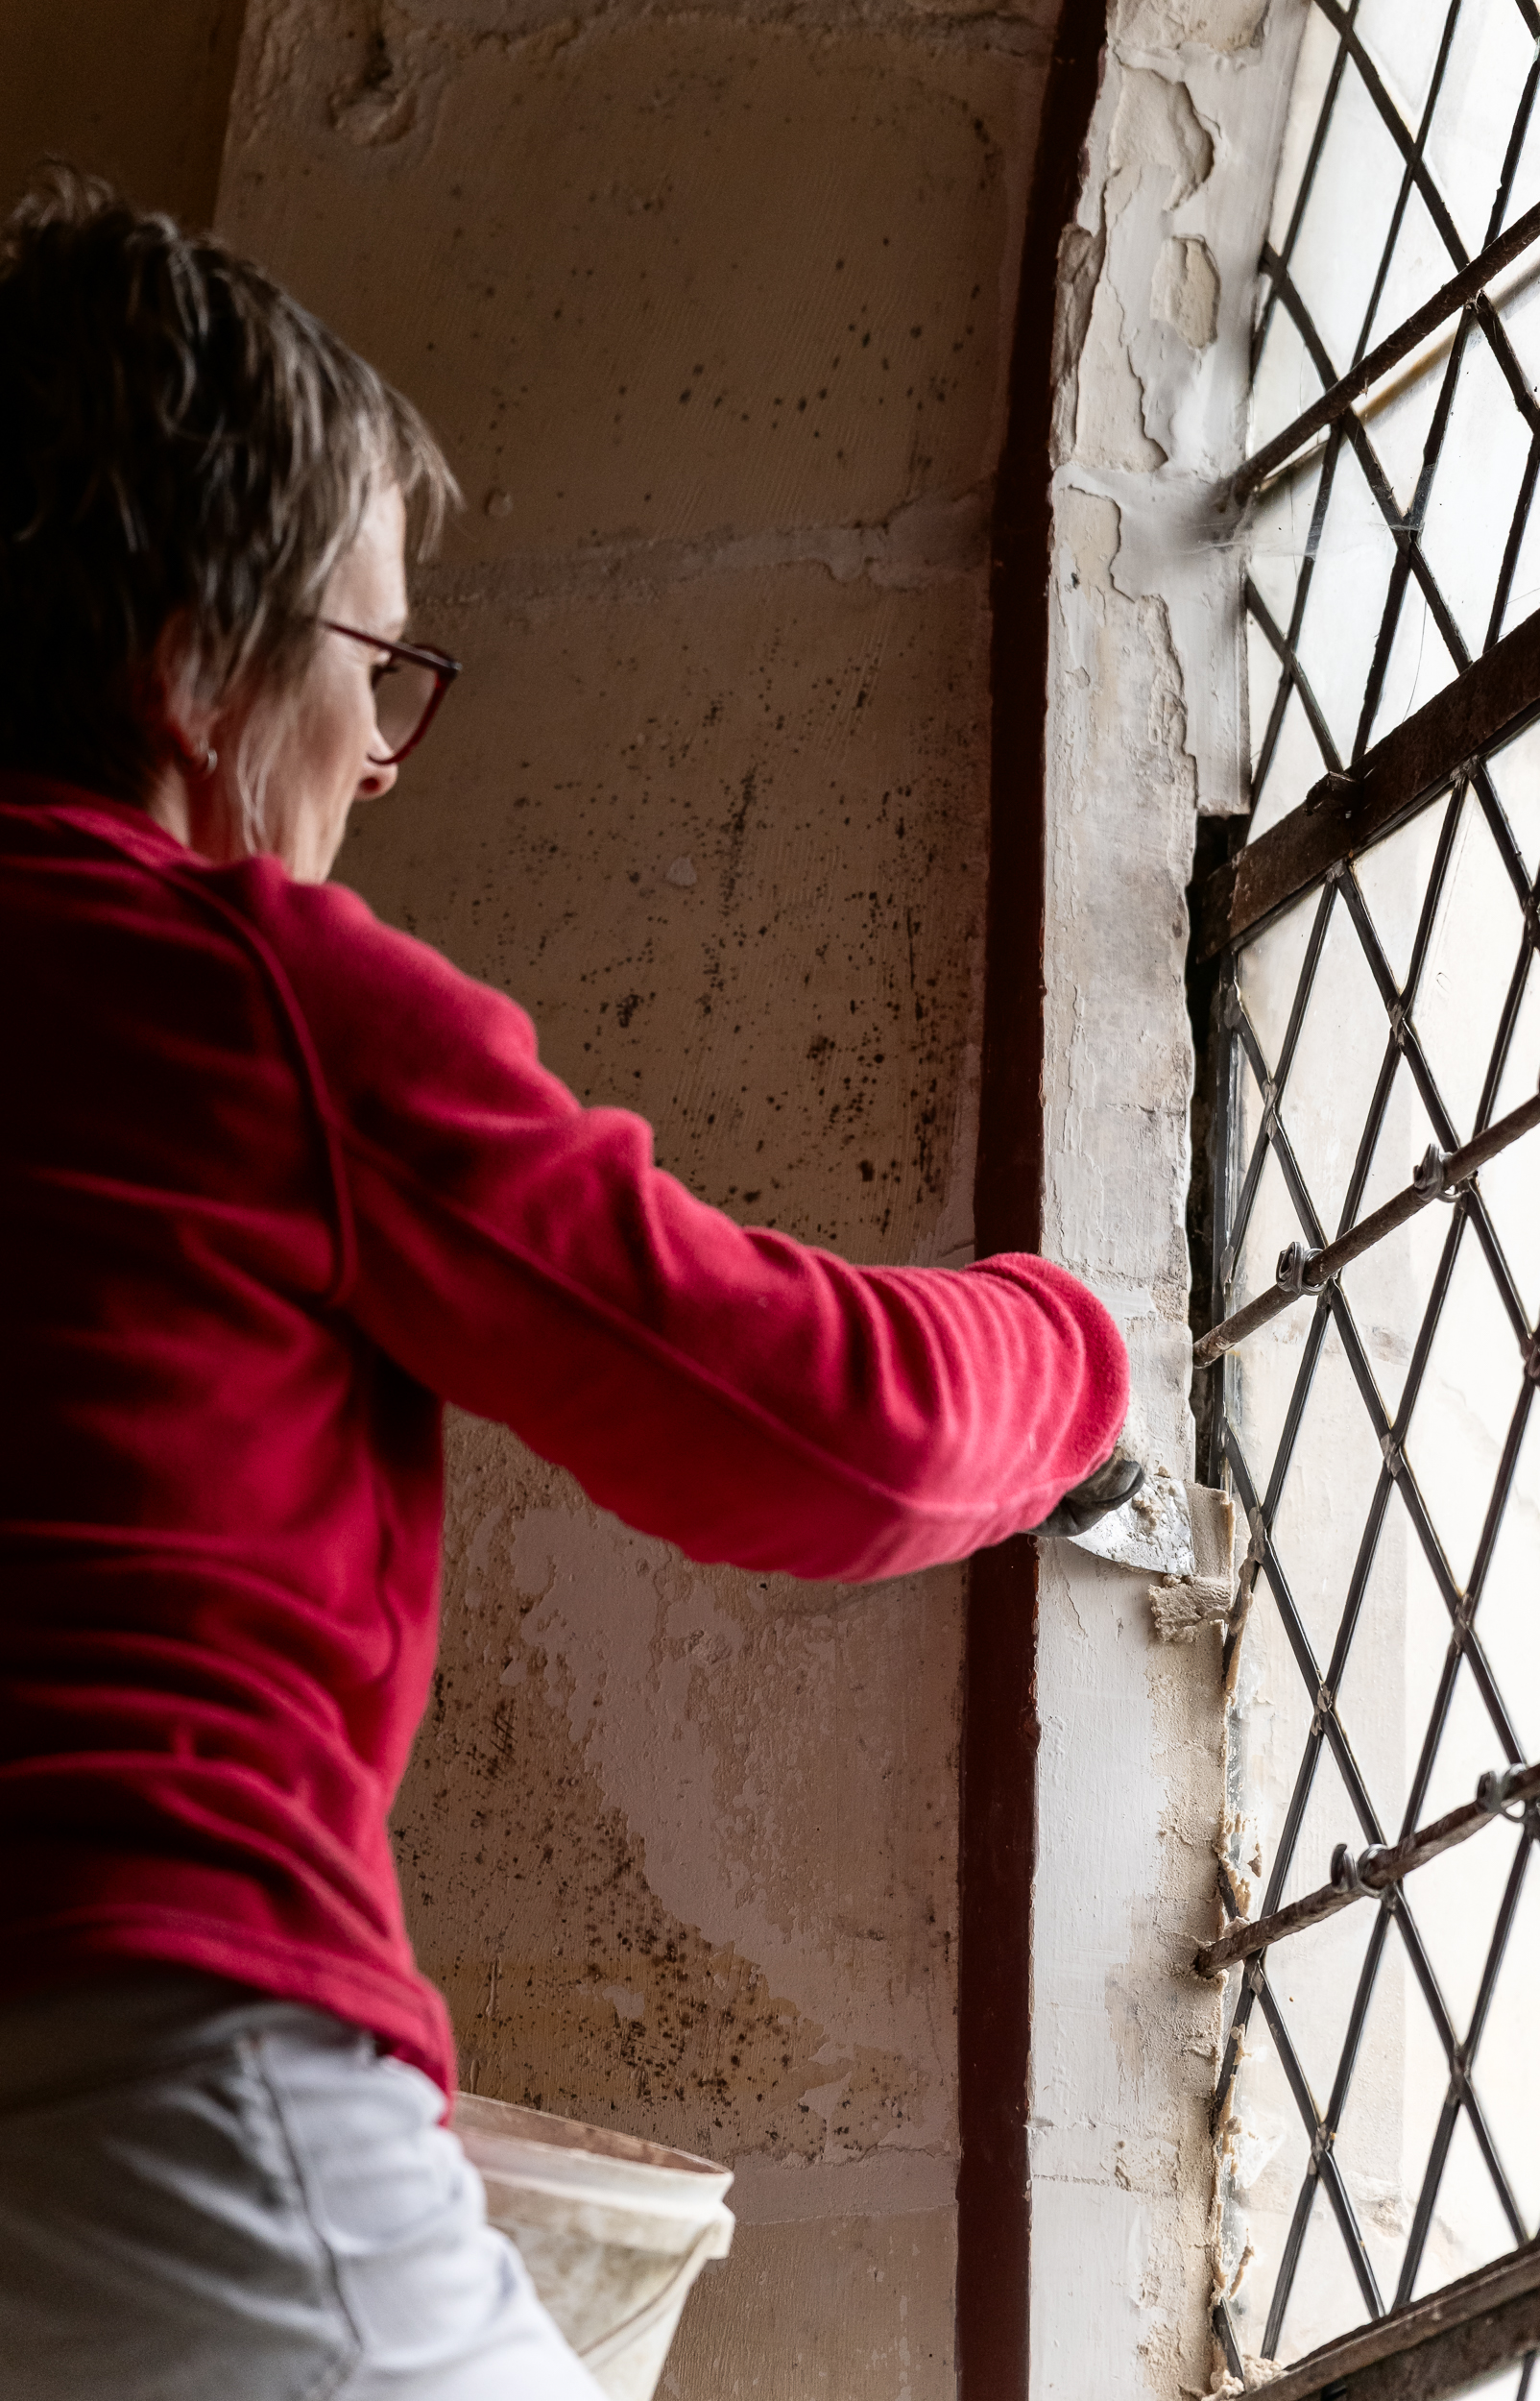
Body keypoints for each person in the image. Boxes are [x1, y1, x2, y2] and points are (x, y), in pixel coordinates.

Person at [0, 170, 1135, 2399]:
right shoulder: (231, 987)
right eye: (369, 668)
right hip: (163, 2086)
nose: (379, 764)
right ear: (195, 665)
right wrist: (1080, 1349)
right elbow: (821, 1424)